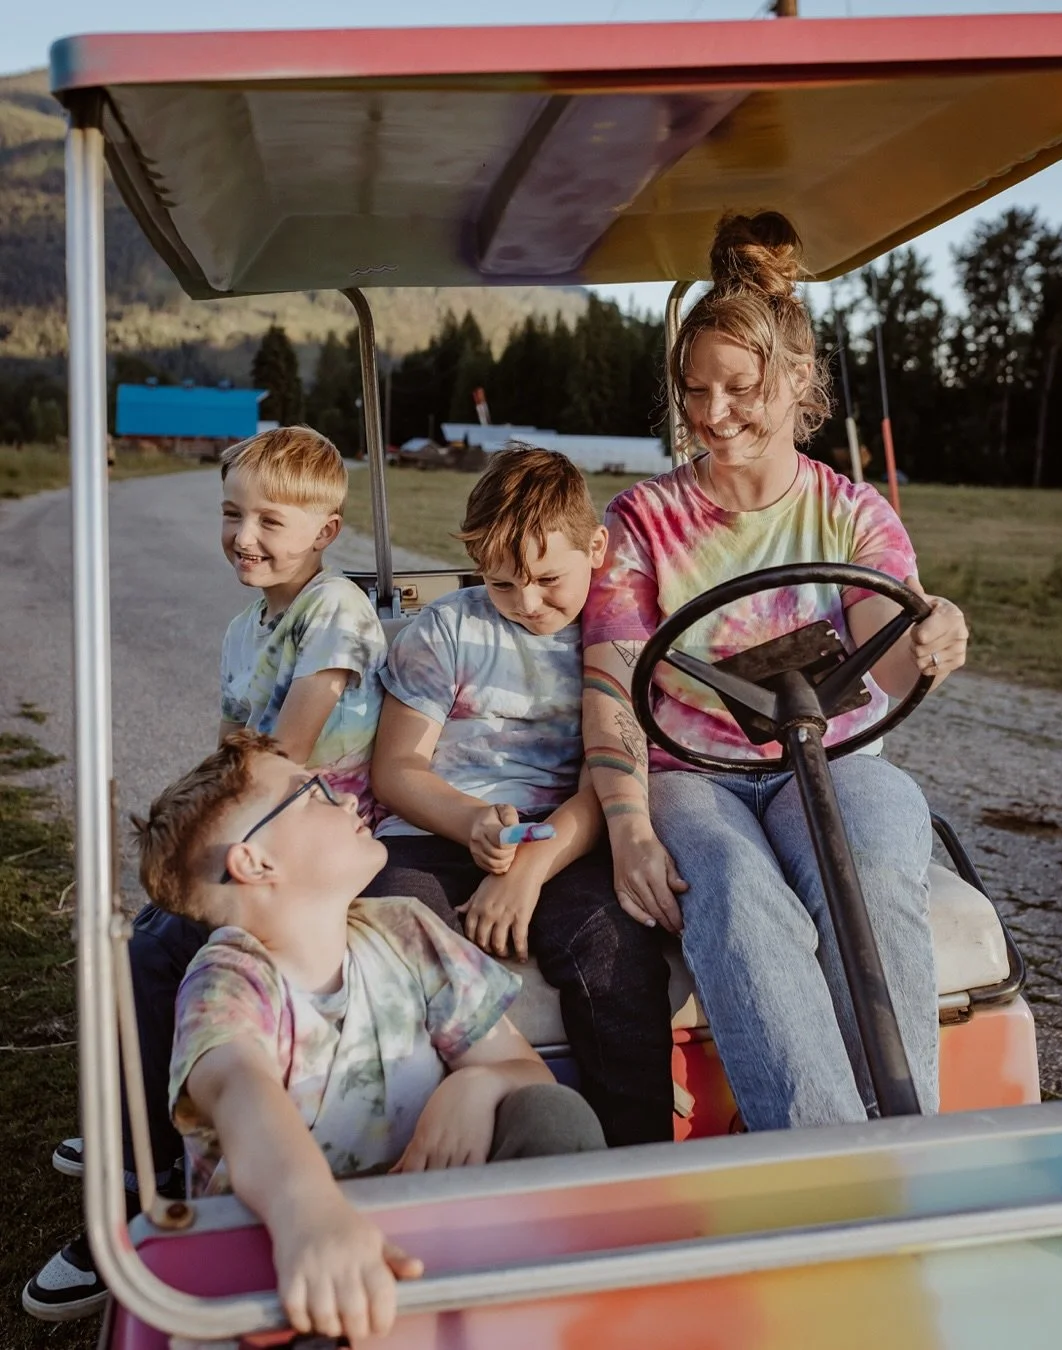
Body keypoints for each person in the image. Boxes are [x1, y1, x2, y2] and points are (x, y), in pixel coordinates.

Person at [581, 212, 969, 1133]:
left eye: (739, 389)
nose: (712, 414)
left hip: (830, 760)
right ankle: (824, 1156)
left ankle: (905, 1139)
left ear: (796, 380)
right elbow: (612, 687)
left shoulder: (852, 514)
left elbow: (890, 645)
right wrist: (628, 827)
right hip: (692, 773)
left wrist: (933, 634)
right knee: (736, 889)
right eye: (695, 390)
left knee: (869, 865)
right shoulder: (641, 522)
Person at [25, 426, 388, 1321]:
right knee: (145, 927)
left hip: (311, 834)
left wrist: (208, 839)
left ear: (325, 531)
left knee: (160, 951)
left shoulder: (336, 611)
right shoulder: (242, 627)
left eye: (270, 521)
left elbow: (285, 751)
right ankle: (137, 1119)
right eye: (232, 515)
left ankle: (140, 1183)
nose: (244, 537)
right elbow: (228, 756)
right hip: (257, 828)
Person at [157, 732, 604, 1345]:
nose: (345, 797)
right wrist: (309, 1217)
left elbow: (528, 1073)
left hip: (429, 1232)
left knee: (551, 1113)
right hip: (291, 1258)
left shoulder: (406, 930)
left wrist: (477, 1084)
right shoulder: (228, 981)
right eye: (313, 793)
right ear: (255, 863)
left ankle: (545, 1317)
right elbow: (239, 1088)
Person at [365, 445, 675, 1148]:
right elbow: (398, 769)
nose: (527, 603)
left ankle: (635, 1160)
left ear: (595, 548)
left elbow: (610, 778)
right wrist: (471, 819)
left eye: (547, 579)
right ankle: (417, 1151)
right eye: (502, 584)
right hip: (438, 830)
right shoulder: (447, 630)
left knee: (615, 952)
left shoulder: (615, 641)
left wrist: (528, 869)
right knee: (395, 937)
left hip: (563, 837)